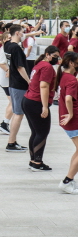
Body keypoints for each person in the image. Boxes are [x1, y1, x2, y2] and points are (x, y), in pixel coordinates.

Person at [22, 45, 60, 171]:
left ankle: (33, 160)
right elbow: (44, 86)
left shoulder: (39, 64)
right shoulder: (47, 67)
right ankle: (37, 162)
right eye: (54, 56)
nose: (56, 59)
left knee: (36, 132)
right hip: (36, 102)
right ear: (47, 54)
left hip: (28, 100)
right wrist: (44, 107)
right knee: (42, 132)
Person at [4, 25, 31, 153]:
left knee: (17, 113)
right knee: (18, 114)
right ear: (17, 33)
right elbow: (20, 67)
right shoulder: (16, 48)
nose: (23, 34)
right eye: (22, 32)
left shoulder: (7, 45)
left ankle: (12, 141)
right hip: (19, 84)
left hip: (13, 83)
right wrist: (29, 81)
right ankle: (11, 143)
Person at [57, 52, 78, 193]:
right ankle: (67, 181)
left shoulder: (63, 76)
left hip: (68, 118)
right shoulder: (71, 80)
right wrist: (71, 114)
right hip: (73, 119)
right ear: (71, 63)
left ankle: (70, 179)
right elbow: (69, 98)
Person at [0, 31, 14, 135]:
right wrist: (8, 71)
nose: (9, 40)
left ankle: (5, 123)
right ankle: (4, 123)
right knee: (14, 102)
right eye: (7, 38)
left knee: (13, 102)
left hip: (9, 80)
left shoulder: (9, 48)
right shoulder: (4, 49)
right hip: (6, 80)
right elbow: (0, 63)